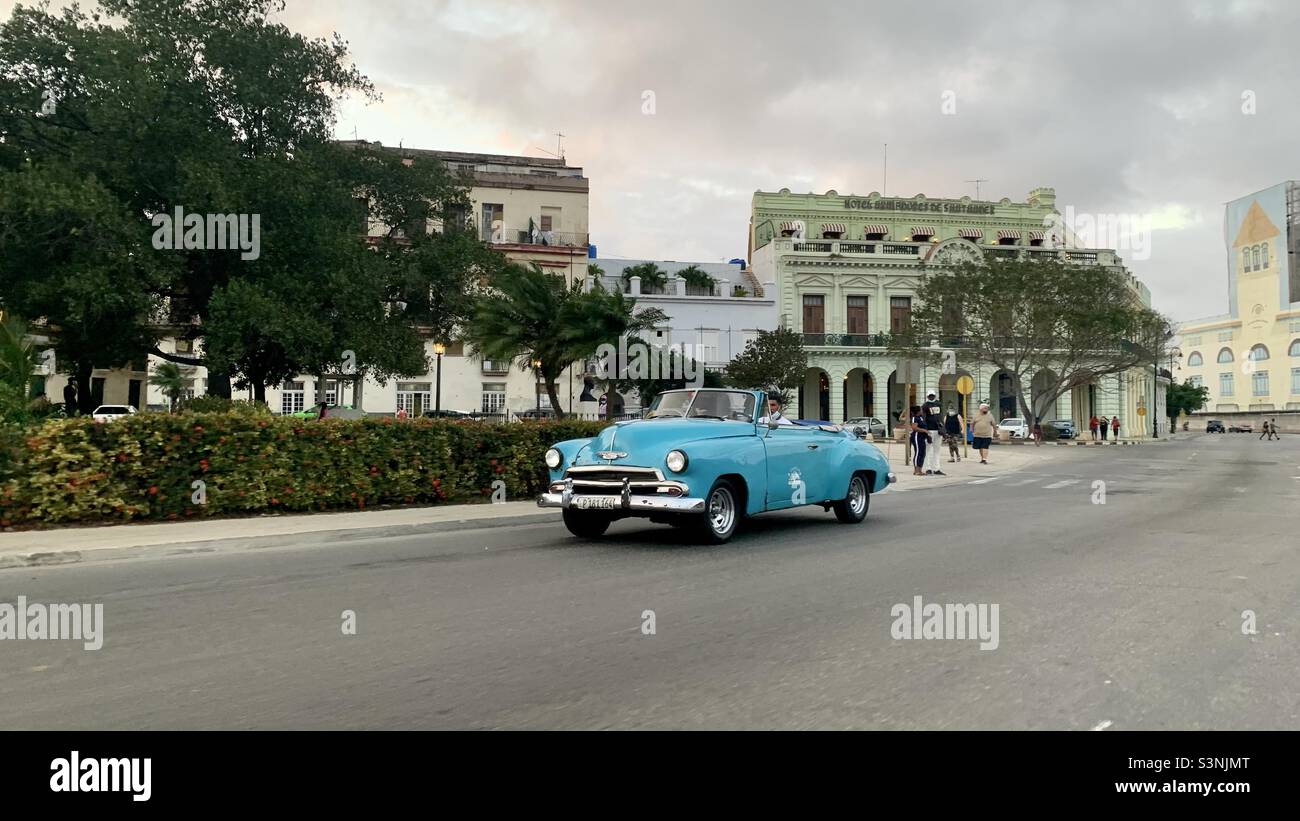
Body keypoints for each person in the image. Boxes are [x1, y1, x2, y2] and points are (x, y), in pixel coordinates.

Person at [922, 391, 944, 475]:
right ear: (927, 396)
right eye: (930, 396)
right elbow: (923, 418)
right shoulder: (925, 406)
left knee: (937, 450)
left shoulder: (939, 404)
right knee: (928, 450)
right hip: (929, 430)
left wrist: (943, 429)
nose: (931, 397)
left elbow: (940, 417)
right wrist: (925, 430)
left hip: (938, 430)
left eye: (932, 395)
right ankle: (928, 468)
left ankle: (936, 468)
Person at [909, 405, 928, 476]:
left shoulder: (921, 418)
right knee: (918, 453)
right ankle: (916, 470)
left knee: (922, 453)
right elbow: (914, 428)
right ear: (918, 411)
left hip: (922, 438)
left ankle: (920, 469)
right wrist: (924, 430)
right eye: (921, 410)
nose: (922, 411)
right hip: (917, 437)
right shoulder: (915, 418)